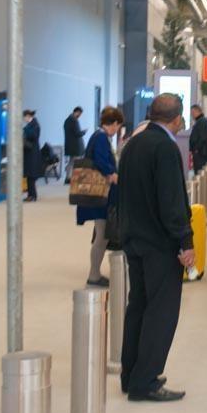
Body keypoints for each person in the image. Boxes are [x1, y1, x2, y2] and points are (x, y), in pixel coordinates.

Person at [117, 93, 195, 402]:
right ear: (177, 119)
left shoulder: (134, 143)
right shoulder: (165, 147)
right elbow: (172, 201)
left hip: (133, 240)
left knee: (138, 306)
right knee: (161, 312)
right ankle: (145, 381)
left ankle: (131, 374)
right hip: (159, 244)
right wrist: (185, 241)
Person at [76, 106, 124, 287]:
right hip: (101, 196)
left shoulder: (97, 136)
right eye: (117, 126)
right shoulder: (102, 138)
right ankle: (93, 275)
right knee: (102, 235)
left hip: (99, 195)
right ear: (113, 123)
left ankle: (94, 273)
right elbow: (103, 164)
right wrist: (116, 177)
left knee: (101, 235)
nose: (117, 130)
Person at [22, 109, 43, 202]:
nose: (24, 119)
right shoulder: (33, 124)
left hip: (32, 153)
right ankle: (31, 195)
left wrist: (24, 130)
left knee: (31, 176)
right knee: (29, 176)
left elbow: (34, 136)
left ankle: (32, 195)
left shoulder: (34, 125)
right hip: (30, 153)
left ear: (28, 116)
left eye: (24, 117)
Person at [188, 105, 207, 173]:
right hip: (204, 152)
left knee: (200, 172)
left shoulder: (201, 122)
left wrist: (196, 149)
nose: (192, 115)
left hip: (201, 154)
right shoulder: (203, 121)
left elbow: (202, 137)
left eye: (192, 113)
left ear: (197, 111)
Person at [63, 106, 87, 184]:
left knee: (71, 162)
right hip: (75, 146)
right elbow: (77, 133)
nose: (80, 115)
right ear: (76, 112)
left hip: (70, 145)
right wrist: (84, 132)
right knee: (76, 163)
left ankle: (68, 178)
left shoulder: (67, 120)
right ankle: (74, 179)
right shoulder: (74, 120)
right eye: (79, 113)